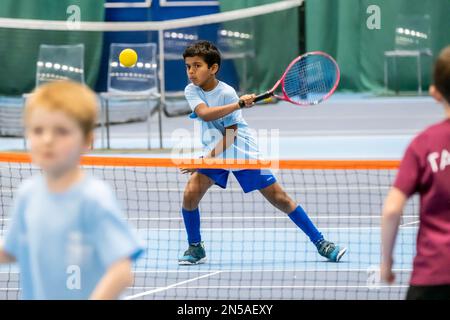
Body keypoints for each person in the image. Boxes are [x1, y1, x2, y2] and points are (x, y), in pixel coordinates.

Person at [178, 40, 347, 265]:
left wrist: (205, 159)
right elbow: (206, 114)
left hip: (240, 151)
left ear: (213, 68)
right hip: (215, 152)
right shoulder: (192, 90)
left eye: (197, 66)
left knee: (280, 199)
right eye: (188, 66)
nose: (191, 72)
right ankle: (195, 247)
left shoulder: (227, 92)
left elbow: (231, 134)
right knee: (190, 194)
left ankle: (322, 243)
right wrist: (237, 107)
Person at [0, 81, 143, 299]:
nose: (47, 140)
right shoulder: (27, 194)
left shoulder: (93, 198)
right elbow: (10, 250)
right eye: (38, 130)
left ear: (87, 141)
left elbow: (121, 273)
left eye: (61, 131)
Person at [381, 46, 450, 300]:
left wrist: (386, 262)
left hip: (432, 278)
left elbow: (391, 210)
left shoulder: (423, 144)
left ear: (435, 91)